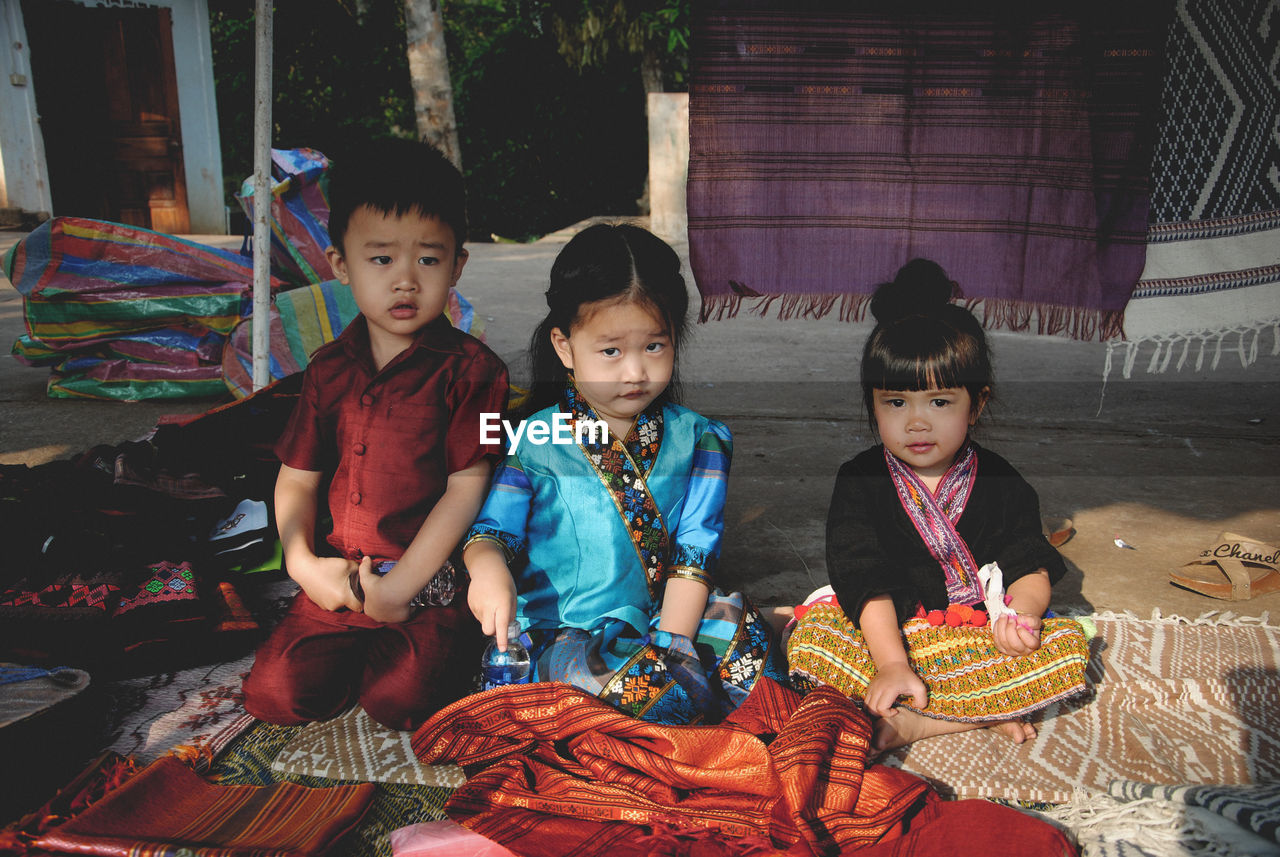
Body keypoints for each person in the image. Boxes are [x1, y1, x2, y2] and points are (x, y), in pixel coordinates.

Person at [463, 223, 782, 725]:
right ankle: (683, 713)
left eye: (653, 347)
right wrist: (488, 570)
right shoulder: (533, 440)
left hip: (667, 624)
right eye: (611, 351)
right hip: (566, 637)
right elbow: (490, 534)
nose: (635, 371)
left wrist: (673, 649)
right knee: (630, 690)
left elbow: (693, 557)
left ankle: (676, 705)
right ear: (566, 348)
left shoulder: (701, 440)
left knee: (753, 653)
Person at [242, 139, 509, 730]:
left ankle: (439, 646)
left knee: (401, 704)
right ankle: (352, 641)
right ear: (341, 264)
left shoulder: (476, 371)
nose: (406, 282)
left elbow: (469, 488)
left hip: (428, 580)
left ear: (457, 265)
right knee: (274, 699)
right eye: (381, 259)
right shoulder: (328, 369)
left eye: (429, 261)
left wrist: (402, 587)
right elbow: (296, 478)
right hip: (336, 575)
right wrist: (302, 564)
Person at [786, 259, 1089, 753]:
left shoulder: (1000, 481)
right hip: (886, 633)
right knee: (813, 640)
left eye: (940, 402)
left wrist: (1022, 619)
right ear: (872, 403)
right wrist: (891, 663)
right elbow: (864, 580)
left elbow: (1027, 563)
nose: (917, 423)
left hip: (974, 635)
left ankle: (921, 722)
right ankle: (979, 710)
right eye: (896, 403)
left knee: (1064, 649)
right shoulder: (861, 480)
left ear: (979, 403)